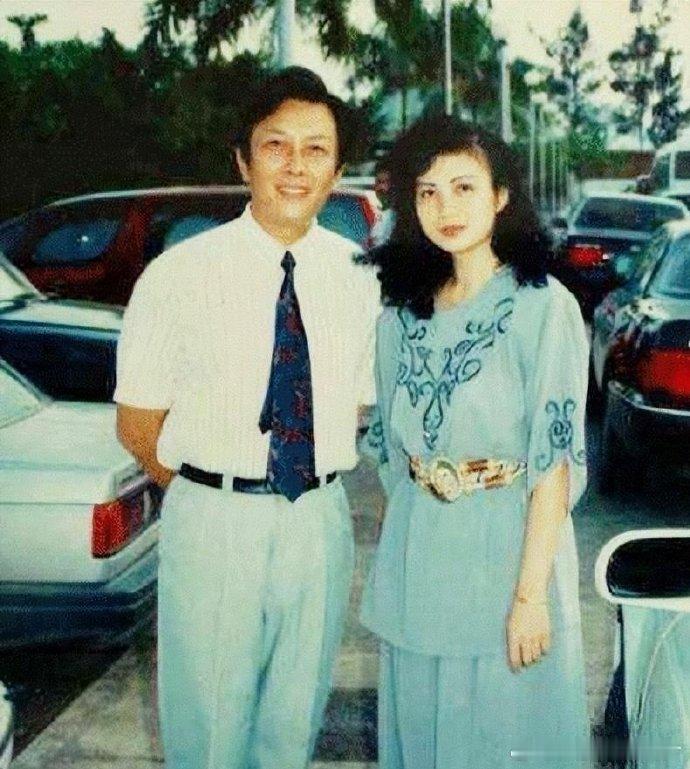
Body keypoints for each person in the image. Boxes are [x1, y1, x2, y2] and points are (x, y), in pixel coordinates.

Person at [114, 67, 380, 769]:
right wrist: (214, 496)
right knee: (207, 733)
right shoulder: (179, 275)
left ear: (337, 170)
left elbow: (357, 405)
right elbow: (138, 425)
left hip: (318, 521)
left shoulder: (361, 278)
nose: (296, 166)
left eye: (316, 150)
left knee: (293, 728)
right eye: (276, 145)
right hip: (214, 519)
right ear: (243, 159)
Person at [360, 115, 591, 769]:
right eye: (427, 192)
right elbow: (391, 458)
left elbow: (554, 464)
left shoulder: (543, 307)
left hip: (508, 559)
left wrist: (530, 597)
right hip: (418, 564)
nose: (446, 208)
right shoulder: (399, 317)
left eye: (464, 187)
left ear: (501, 196)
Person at [371, 157, 396, 246]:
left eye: (386, 182)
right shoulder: (370, 213)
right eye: (379, 182)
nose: (382, 187)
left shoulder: (399, 218)